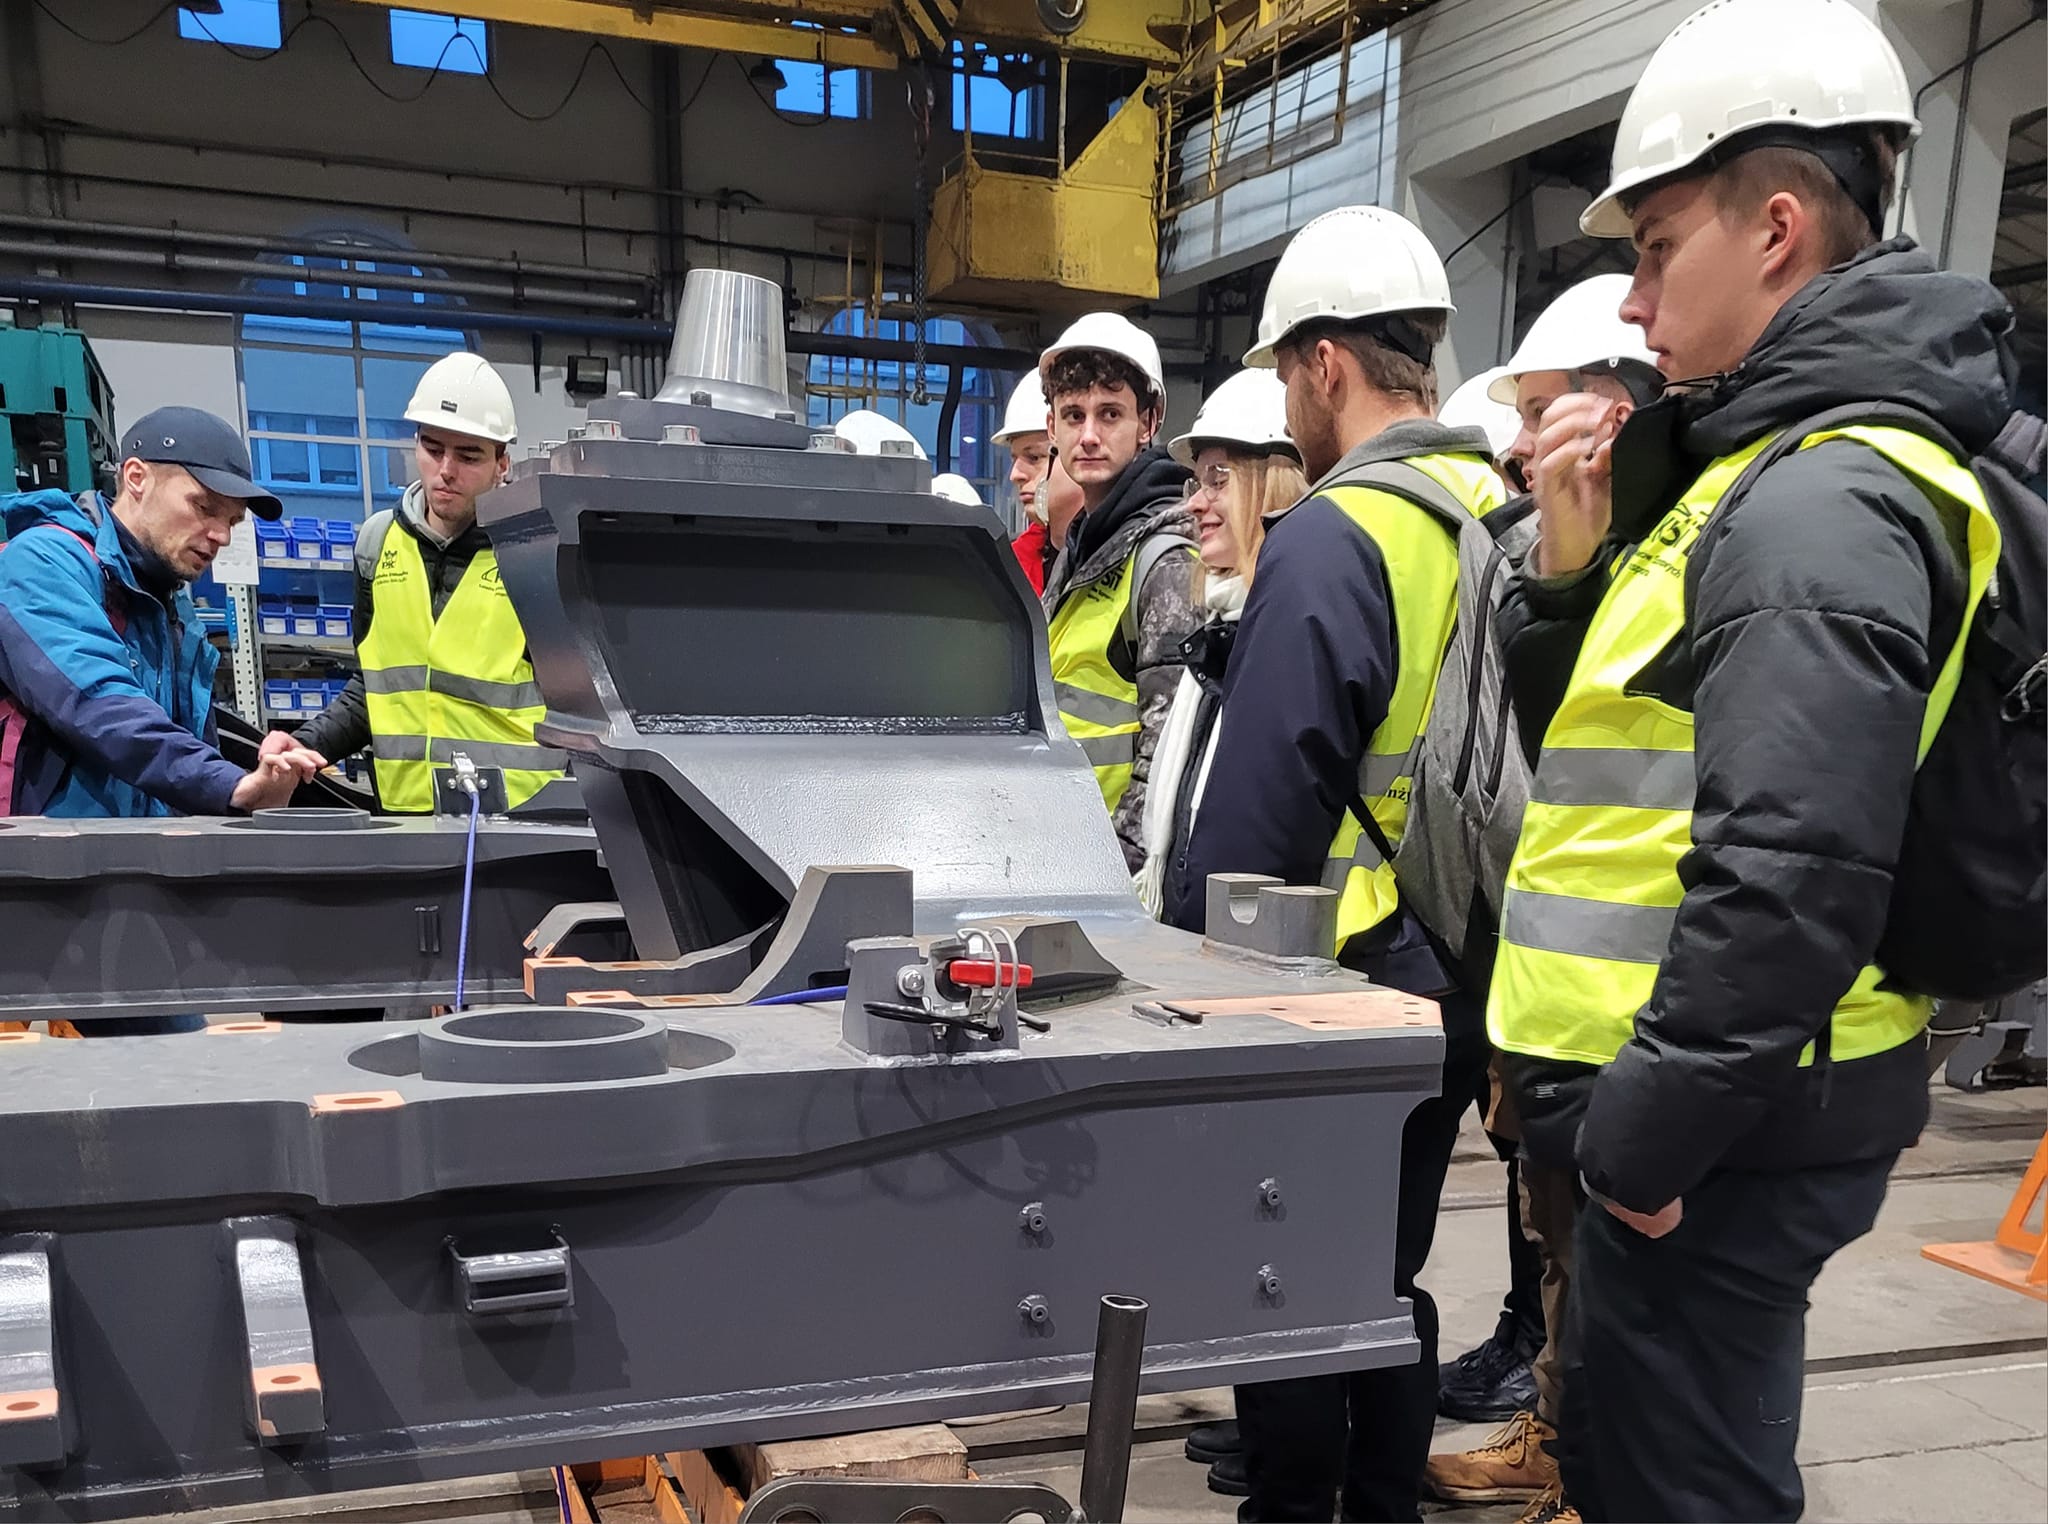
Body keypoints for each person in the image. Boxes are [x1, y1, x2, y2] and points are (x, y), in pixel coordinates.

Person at [1489, 3, 2010, 1519]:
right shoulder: (1752, 475)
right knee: (1645, 1463)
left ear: (1775, 229)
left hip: (1723, 1121)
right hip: (1713, 1099)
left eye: (1657, 249)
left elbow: (1791, 868)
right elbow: (1620, 760)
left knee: (1687, 1489)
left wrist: (1643, 1145)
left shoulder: (1821, 498)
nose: (1633, 298)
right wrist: (1569, 579)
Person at [1162, 204, 1509, 1524]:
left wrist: (1186, 989)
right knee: (1389, 1271)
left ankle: (1294, 1510)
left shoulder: (1332, 534)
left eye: (1283, 377)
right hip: (1471, 969)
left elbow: (1255, 830)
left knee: (1289, 1281)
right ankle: (1383, 1506)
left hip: (1342, 984)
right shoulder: (1500, 510)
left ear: (1324, 364)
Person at [1424, 272, 1661, 1524]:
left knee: (1612, 1269)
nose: (1514, 445)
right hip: (1545, 972)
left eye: (1535, 412)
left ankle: (1592, 1478)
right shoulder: (1542, 555)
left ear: (1612, 412)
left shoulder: (1663, 562)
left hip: (1628, 1003)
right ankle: (1557, 1443)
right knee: (1553, 1234)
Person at [270, 353, 567, 815]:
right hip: (405, 820)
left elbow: (577, 705)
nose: (446, 470)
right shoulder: (376, 546)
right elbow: (375, 688)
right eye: (433, 449)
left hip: (519, 823)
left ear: (502, 463)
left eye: (468, 456)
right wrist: (306, 744)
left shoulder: (535, 555)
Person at [0, 405, 322, 818]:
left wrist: (259, 772)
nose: (222, 535)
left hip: (142, 852)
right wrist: (228, 784)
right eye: (204, 507)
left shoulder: (174, 605)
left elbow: (187, 741)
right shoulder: (43, 563)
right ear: (137, 478)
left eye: (232, 520)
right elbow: (100, 705)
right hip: (51, 854)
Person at [1133, 369, 1305, 917]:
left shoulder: (1281, 633)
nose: (1195, 504)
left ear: (1270, 484)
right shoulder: (1221, 627)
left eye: (1218, 479)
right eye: (1197, 482)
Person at [1039, 312, 1199, 870]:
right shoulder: (1082, 545)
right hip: (1061, 850)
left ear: (1148, 421)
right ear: (1052, 427)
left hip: (1109, 870)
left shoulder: (1165, 560)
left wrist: (1119, 872)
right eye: (1073, 415)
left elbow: (1168, 745)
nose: (1088, 435)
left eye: (1110, 414)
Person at [991, 372, 1068, 594]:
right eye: (1014, 459)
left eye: (1034, 457)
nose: (1015, 475)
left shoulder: (1128, 553)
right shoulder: (1012, 565)